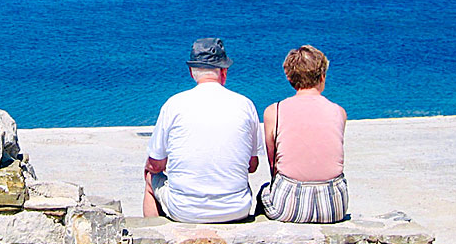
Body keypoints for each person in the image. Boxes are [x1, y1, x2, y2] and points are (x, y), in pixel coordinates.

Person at [143, 38, 262, 223]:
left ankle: (154, 236)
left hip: (185, 210)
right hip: (236, 208)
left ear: (192, 72)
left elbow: (155, 164)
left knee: (151, 177)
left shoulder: (174, 104)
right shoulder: (245, 105)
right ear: (224, 71)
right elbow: (252, 166)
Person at [258, 45, 348, 223]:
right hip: (333, 205)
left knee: (263, 192)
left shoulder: (274, 111)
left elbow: (273, 162)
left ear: (289, 77)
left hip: (289, 205)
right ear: (322, 76)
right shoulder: (339, 111)